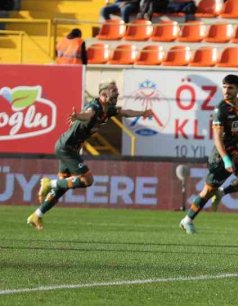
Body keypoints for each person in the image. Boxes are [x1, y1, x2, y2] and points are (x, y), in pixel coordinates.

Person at [27, 82, 151, 230]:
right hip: (66, 147)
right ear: (102, 95)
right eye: (113, 92)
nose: (116, 95)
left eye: (116, 93)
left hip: (71, 147)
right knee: (87, 180)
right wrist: (78, 116)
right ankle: (49, 183)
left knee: (63, 186)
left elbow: (125, 112)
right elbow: (88, 114)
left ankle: (36, 215)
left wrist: (141, 113)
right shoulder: (95, 106)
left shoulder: (109, 109)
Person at [180, 74, 238, 234]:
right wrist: (226, 160)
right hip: (221, 155)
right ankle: (187, 220)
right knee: (207, 191)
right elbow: (217, 138)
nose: (226, 90)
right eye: (224, 87)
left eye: (230, 87)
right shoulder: (221, 109)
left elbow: (237, 129)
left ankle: (222, 192)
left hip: (236, 151)